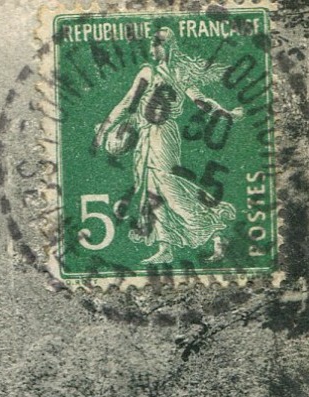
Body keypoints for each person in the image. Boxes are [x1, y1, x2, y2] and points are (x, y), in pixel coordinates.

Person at [93, 27, 241, 265]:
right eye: (153, 44)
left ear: (169, 46)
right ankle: (166, 247)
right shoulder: (147, 71)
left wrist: (224, 112)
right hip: (145, 133)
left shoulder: (180, 72)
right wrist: (104, 131)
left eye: (158, 43)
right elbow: (127, 102)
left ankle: (214, 230)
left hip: (164, 134)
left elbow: (199, 99)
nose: (154, 48)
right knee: (151, 191)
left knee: (169, 187)